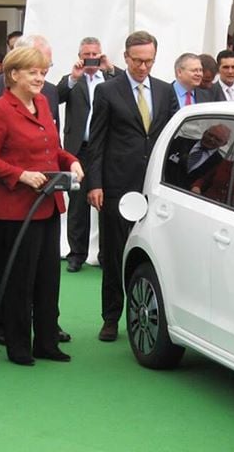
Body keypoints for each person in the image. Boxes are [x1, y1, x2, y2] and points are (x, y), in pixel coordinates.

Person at [0, 46, 83, 366]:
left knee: (48, 277)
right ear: (14, 75)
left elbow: (54, 149)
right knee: (20, 280)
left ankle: (47, 342)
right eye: (33, 72)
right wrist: (20, 175)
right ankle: (19, 345)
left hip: (48, 205)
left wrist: (72, 161)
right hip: (16, 209)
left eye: (43, 71)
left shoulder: (43, 102)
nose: (40, 78)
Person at [87, 30, 178, 342]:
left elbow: (173, 141)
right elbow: (95, 142)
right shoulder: (107, 91)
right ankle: (111, 317)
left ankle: (150, 315)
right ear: (126, 57)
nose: (143, 67)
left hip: (155, 187)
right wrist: (94, 184)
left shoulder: (166, 92)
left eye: (149, 61)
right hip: (116, 186)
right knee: (113, 254)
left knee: (156, 252)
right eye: (138, 60)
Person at [57, 36, 118, 273]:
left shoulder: (113, 77)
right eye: (86, 54)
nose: (90, 58)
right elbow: (56, 95)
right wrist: (74, 77)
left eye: (94, 54)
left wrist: (110, 68)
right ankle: (76, 254)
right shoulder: (73, 79)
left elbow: (128, 87)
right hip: (79, 149)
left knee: (106, 202)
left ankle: (106, 254)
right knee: (77, 205)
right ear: (80, 55)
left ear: (101, 54)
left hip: (105, 148)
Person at [163, 123, 232, 190]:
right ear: (204, 132)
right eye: (210, 135)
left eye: (217, 139)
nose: (211, 139)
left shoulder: (219, 164)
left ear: (224, 144)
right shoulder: (180, 142)